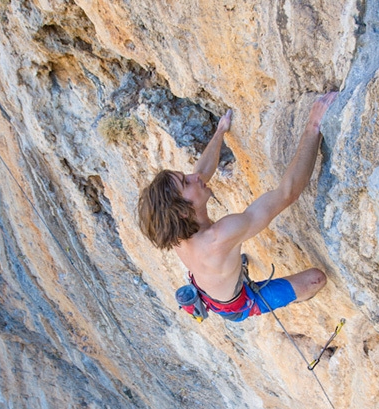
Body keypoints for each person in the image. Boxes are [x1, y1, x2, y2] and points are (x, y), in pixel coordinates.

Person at [138, 92, 338, 322]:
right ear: (183, 211)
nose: (194, 177)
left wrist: (220, 131)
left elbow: (201, 173)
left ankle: (233, 268)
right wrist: (313, 126)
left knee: (199, 193)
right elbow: (287, 193)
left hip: (210, 286)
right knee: (316, 279)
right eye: (186, 181)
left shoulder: (175, 228)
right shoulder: (220, 236)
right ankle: (298, 295)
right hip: (238, 305)